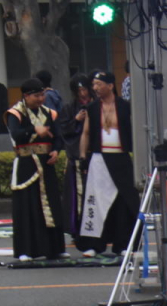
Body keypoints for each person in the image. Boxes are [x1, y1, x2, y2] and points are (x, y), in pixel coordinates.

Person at [78, 71, 139, 258]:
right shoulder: (93, 107)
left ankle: (123, 245)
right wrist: (82, 157)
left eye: (99, 84)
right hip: (99, 157)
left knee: (125, 202)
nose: (95, 88)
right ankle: (93, 245)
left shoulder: (126, 106)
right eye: (94, 84)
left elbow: (135, 132)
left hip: (120, 156)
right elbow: (86, 133)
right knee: (95, 202)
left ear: (111, 86)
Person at [5, 77, 66, 261]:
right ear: (26, 96)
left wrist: (56, 150)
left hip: (46, 164)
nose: (40, 99)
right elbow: (16, 134)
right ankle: (26, 250)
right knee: (27, 207)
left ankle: (55, 248)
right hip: (27, 165)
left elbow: (58, 135)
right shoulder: (15, 113)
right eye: (37, 96)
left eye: (42, 95)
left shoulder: (49, 113)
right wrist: (34, 130)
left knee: (52, 205)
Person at [60, 74, 92, 245]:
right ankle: (78, 228)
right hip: (78, 157)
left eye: (85, 89)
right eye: (79, 90)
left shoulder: (97, 105)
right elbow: (64, 130)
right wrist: (76, 120)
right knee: (78, 194)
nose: (83, 93)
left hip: (96, 155)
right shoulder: (69, 108)